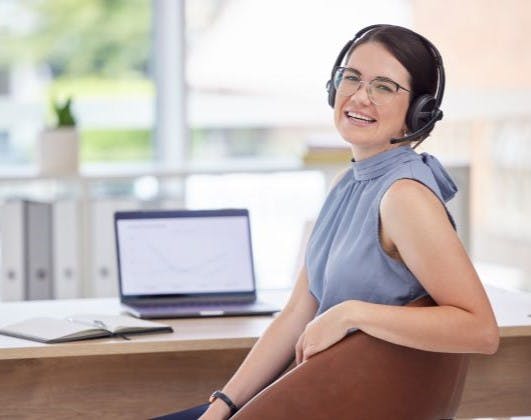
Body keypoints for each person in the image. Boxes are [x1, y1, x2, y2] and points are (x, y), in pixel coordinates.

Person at [156, 24, 499, 420]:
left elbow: (481, 330)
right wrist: (223, 406)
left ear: (418, 113)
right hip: (318, 399)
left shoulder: (404, 197)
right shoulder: (346, 183)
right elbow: (298, 311)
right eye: (351, 78)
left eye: (383, 87)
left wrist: (352, 313)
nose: (358, 96)